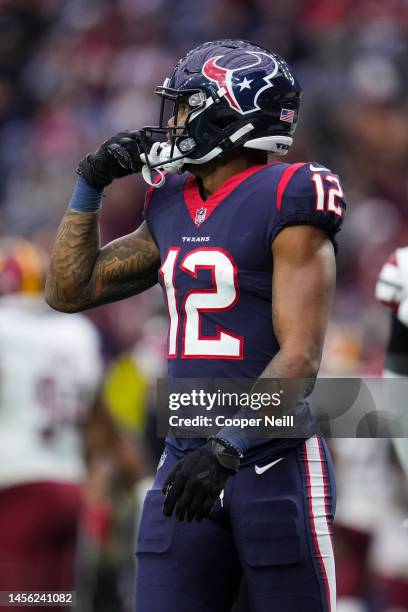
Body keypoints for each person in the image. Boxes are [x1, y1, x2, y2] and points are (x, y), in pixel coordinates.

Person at [46, 39, 347, 612]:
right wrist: (91, 181)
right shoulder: (172, 201)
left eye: (187, 106)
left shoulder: (290, 191)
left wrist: (227, 447)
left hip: (270, 458)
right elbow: (70, 289)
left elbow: (302, 357)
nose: (174, 121)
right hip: (186, 457)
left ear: (231, 112)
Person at [0, 237, 141, 610]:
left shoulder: (6, 331)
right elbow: (100, 423)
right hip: (68, 488)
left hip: (16, 487)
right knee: (54, 600)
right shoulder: (77, 333)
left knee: (13, 599)